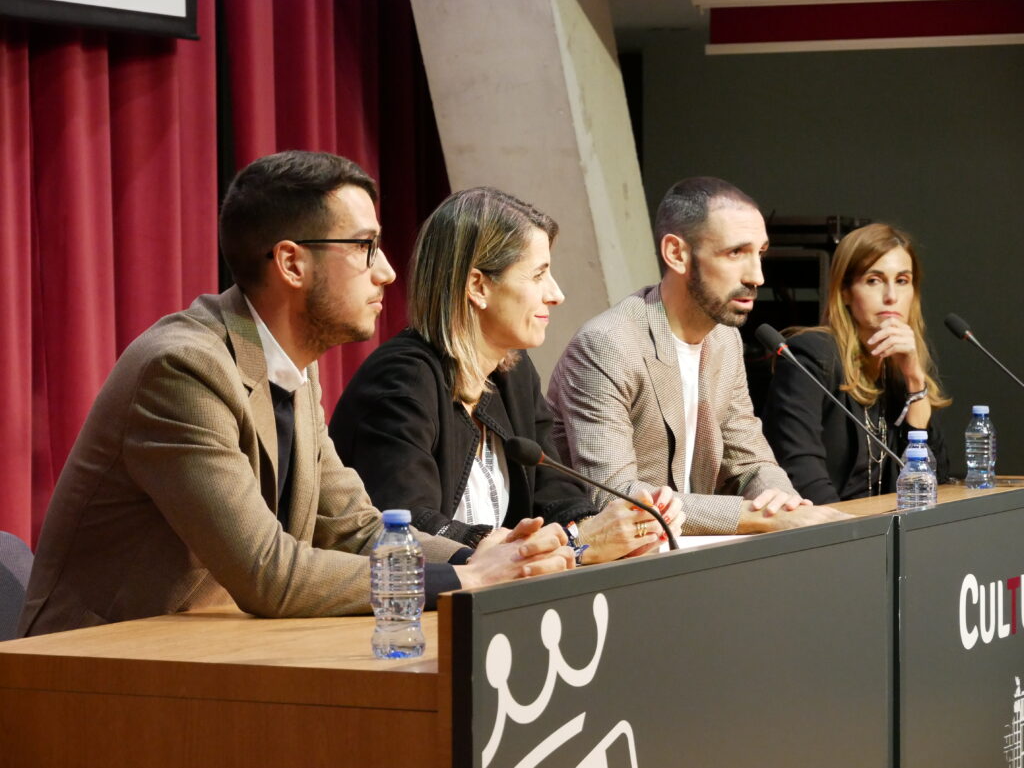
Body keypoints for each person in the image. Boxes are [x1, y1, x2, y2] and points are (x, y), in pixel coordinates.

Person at [18, 152, 572, 637]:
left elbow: (354, 528)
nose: (387, 271)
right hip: (92, 669)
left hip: (208, 653)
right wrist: (466, 577)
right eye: (365, 247)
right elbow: (268, 572)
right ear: (290, 263)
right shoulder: (184, 369)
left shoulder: (292, 368)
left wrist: (492, 555)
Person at [329, 187, 682, 565]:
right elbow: (410, 525)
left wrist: (615, 526)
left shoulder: (512, 371)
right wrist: (574, 542)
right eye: (539, 275)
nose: (556, 294)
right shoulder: (402, 380)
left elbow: (557, 494)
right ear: (478, 286)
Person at [547, 176, 849, 534]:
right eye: (736, 253)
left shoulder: (724, 340)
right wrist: (756, 517)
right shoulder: (608, 345)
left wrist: (784, 503)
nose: (757, 276)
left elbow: (750, 462)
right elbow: (616, 497)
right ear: (677, 254)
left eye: (760, 253)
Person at [762, 223, 950, 503]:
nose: (891, 296)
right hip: (829, 523)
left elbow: (937, 479)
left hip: (889, 524)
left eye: (902, 280)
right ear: (845, 291)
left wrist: (914, 380)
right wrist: (850, 527)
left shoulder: (905, 362)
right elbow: (801, 473)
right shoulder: (812, 356)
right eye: (874, 280)